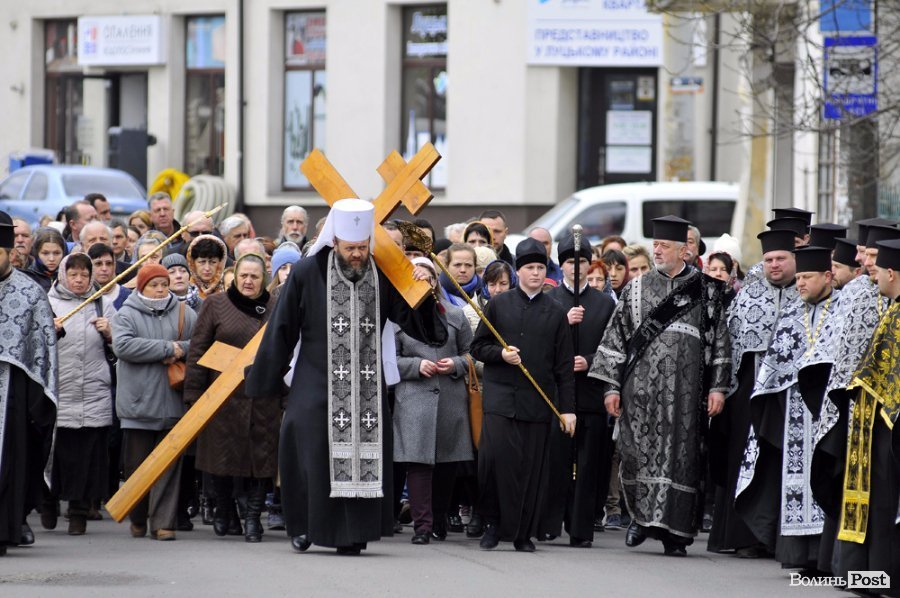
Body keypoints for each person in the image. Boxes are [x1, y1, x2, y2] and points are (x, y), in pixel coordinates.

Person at [244, 198, 447, 555]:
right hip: (315, 380)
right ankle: (306, 527)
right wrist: (264, 380)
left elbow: (421, 327)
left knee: (362, 456)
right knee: (310, 454)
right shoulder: (307, 272)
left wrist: (422, 293)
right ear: (334, 241)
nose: (356, 255)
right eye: (350, 248)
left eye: (362, 248)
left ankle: (354, 534)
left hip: (367, 388)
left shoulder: (381, 273)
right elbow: (282, 328)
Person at [589, 215, 731, 557]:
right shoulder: (635, 288)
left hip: (688, 394)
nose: (657, 251)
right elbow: (615, 339)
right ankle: (640, 520)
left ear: (684, 251)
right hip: (640, 392)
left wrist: (718, 387)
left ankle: (676, 534)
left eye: (664, 246)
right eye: (654, 245)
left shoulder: (707, 291)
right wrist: (611, 388)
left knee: (682, 459)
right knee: (637, 453)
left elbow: (721, 341)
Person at [735, 247, 839, 570]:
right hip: (796, 411)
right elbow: (774, 365)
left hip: (830, 408)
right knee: (797, 478)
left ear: (828, 276)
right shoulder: (793, 313)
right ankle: (798, 554)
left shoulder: (842, 309)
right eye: (800, 277)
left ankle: (824, 557)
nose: (801, 283)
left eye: (807, 277)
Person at [471, 238, 576, 552]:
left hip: (537, 402)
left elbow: (564, 367)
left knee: (530, 469)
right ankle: (492, 526)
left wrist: (567, 409)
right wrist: (501, 355)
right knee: (494, 463)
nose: (535, 273)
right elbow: (478, 347)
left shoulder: (556, 312)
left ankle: (522, 533)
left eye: (540, 267)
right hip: (500, 400)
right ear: (518, 271)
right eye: (530, 267)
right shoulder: (498, 304)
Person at [810, 224, 900, 582]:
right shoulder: (881, 305)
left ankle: (882, 577)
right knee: (871, 498)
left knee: (885, 500)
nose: (869, 268)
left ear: (892, 271)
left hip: (887, 418)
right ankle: (863, 574)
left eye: (875, 261)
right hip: (869, 416)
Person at [707, 230, 798, 558]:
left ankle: (781, 540)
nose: (774, 265)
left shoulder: (805, 294)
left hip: (791, 395)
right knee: (743, 460)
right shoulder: (748, 294)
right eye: (769, 259)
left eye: (781, 259)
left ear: (794, 260)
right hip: (748, 393)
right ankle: (742, 536)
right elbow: (728, 344)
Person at [185, 254, 279, 543]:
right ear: (235, 277)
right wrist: (193, 394)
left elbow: (285, 350)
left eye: (255, 276)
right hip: (222, 398)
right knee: (221, 460)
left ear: (264, 279)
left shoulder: (275, 307)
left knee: (261, 461)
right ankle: (225, 511)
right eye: (243, 276)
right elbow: (198, 350)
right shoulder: (216, 304)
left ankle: (252, 519)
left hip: (263, 398)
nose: (248, 281)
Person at [541, 232, 616, 548]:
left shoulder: (604, 303)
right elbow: (538, 345)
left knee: (587, 465)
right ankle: (549, 523)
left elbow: (614, 347)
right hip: (557, 394)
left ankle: (581, 526)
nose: (576, 267)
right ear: (562, 266)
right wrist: (563, 320)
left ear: (589, 264)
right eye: (570, 262)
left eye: (582, 261)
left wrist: (589, 360)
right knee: (555, 460)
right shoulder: (549, 301)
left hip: (590, 392)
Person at [112, 264, 197, 541]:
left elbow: (199, 343)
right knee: (137, 467)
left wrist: (179, 349)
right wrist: (165, 348)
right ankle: (138, 517)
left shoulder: (185, 312)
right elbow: (123, 346)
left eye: (164, 284)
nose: (160, 290)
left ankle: (163, 523)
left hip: (173, 403)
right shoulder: (126, 313)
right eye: (154, 285)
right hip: (138, 405)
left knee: (168, 468)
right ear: (142, 287)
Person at [393, 257, 474, 545]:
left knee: (447, 465)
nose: (423, 283)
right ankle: (422, 527)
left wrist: (456, 364)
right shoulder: (398, 318)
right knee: (418, 464)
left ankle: (439, 519)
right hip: (413, 399)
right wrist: (416, 366)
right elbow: (389, 359)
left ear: (435, 281)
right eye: (417, 278)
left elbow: (471, 353)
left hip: (450, 399)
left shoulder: (455, 314)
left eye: (428, 278)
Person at [0, 211, 57, 556]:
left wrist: (38, 402)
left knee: (12, 461)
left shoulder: (30, 292)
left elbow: (43, 349)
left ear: (10, 253)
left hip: (16, 393)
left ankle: (10, 525)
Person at [46, 253, 114, 536]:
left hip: (94, 392)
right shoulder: (48, 303)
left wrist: (110, 333)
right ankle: (49, 502)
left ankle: (79, 512)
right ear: (63, 275)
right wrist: (50, 332)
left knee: (87, 458)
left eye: (84, 275)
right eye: (73, 274)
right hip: (59, 392)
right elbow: (34, 345)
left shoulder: (102, 303)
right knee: (56, 455)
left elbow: (121, 346)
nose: (78, 280)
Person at [23, 228, 67, 293]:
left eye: (56, 253)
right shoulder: (27, 278)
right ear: (36, 253)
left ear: (64, 253)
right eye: (45, 253)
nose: (51, 259)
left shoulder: (70, 277)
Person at [186, 234, 228, 300]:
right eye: (202, 262)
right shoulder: (184, 289)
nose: (207, 268)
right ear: (193, 263)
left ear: (220, 263)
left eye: (213, 262)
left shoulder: (228, 286)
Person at [440, 244, 480, 308]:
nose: (463, 270)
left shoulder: (486, 292)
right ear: (446, 266)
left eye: (468, 265)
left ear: (475, 266)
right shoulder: (437, 292)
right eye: (457, 265)